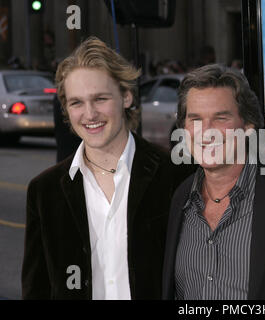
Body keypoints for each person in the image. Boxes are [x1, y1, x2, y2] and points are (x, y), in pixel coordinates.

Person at [22, 37, 181, 299]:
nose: (90, 113)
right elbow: (36, 289)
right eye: (76, 103)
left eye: (100, 99)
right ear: (66, 110)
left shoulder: (173, 174)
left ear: (126, 96)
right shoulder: (44, 191)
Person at [162, 64, 265, 299]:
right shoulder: (179, 197)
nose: (206, 132)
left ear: (247, 126)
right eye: (195, 119)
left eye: (220, 118)